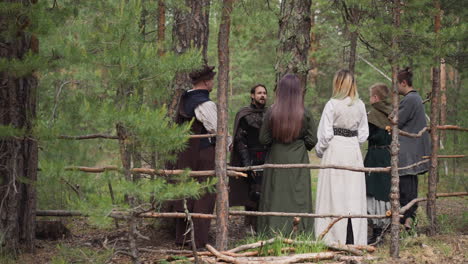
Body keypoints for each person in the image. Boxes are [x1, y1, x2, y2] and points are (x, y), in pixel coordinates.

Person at [257, 74, 317, 235]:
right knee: (299, 194)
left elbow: (263, 138)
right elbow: (312, 139)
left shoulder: (271, 112)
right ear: (298, 92)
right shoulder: (305, 113)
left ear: (280, 91)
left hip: (276, 156)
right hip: (298, 157)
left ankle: (271, 232)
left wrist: (276, 143)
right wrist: (299, 144)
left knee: (275, 195)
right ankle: (300, 233)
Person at [314, 69, 369, 245]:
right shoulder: (360, 105)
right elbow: (363, 134)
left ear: (338, 84)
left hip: (335, 149)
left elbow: (325, 134)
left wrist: (320, 150)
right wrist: (352, 142)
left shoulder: (332, 104)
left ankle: (332, 237)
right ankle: (354, 238)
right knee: (353, 193)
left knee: (334, 193)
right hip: (352, 150)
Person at [170, 65, 218, 248]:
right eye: (212, 79)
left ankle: (182, 239)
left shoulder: (185, 99)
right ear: (206, 82)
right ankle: (198, 241)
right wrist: (229, 143)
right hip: (203, 153)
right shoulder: (204, 103)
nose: (213, 82)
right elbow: (216, 129)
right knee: (204, 195)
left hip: (185, 153)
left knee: (186, 193)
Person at [229, 84, 269, 230]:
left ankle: (262, 224)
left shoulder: (270, 113)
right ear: (252, 95)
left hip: (268, 156)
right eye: (259, 93)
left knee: (266, 190)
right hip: (251, 155)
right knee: (252, 191)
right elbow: (240, 140)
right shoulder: (244, 114)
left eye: (264, 93)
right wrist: (247, 162)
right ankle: (250, 225)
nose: (262, 95)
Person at [397, 67, 430, 230]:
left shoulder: (410, 99)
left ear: (403, 83)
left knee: (406, 188)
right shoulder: (414, 98)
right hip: (412, 151)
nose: (396, 88)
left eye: (398, 84)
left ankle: (407, 220)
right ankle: (408, 219)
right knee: (409, 186)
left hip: (408, 151)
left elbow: (397, 120)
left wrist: (391, 117)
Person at [364, 83, 392, 244]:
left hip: (375, 155)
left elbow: (366, 136)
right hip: (388, 155)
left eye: (370, 96)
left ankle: (377, 230)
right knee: (384, 190)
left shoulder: (372, 115)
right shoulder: (392, 113)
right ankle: (382, 227)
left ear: (375, 98)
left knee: (374, 191)